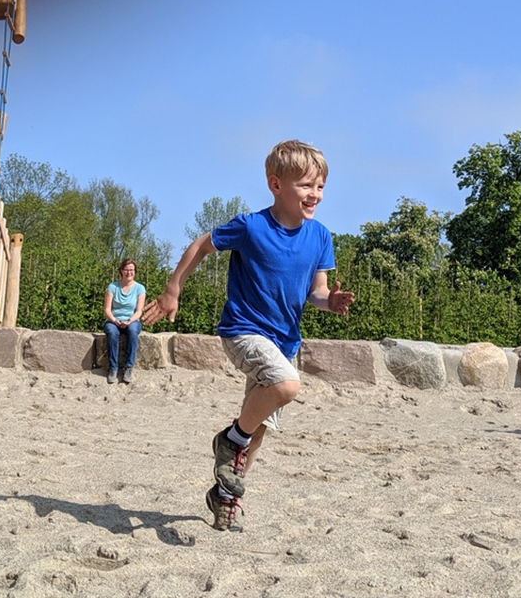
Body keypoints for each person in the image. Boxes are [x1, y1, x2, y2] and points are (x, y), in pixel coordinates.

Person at [142, 139, 354, 532]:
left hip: (284, 342)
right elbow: (201, 245)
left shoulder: (320, 236)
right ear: (276, 185)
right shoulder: (251, 227)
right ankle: (229, 439)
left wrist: (331, 301)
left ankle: (225, 497)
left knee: (256, 430)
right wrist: (173, 289)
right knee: (287, 386)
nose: (315, 194)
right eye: (306, 185)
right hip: (243, 331)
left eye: (321, 186)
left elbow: (317, 292)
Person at [103, 259, 146, 384]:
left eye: (131, 270)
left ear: (135, 271)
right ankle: (113, 368)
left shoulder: (140, 288)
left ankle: (128, 368)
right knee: (112, 332)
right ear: (121, 271)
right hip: (113, 320)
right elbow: (107, 309)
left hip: (132, 320)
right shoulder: (112, 287)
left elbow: (139, 311)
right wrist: (114, 320)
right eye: (126, 269)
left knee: (133, 331)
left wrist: (129, 321)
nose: (129, 272)